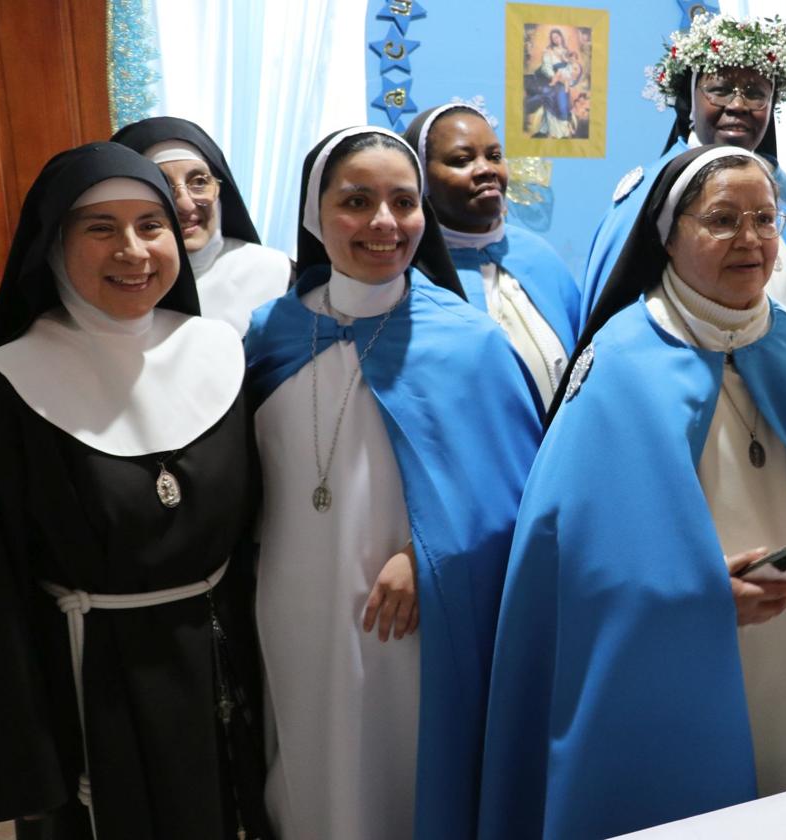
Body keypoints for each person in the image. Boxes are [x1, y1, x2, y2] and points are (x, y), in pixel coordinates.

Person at [479, 146, 786, 840]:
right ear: (669, 234)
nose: (751, 240)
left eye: (766, 220)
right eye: (723, 219)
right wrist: (696, 597)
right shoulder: (623, 359)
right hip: (667, 657)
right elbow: (574, 558)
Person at [244, 126, 541, 840]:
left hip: (420, 617)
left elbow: (518, 498)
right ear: (316, 216)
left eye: (403, 203)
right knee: (312, 767)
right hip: (295, 605)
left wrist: (426, 555)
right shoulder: (269, 333)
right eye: (356, 201)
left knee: (407, 772)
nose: (384, 223)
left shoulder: (468, 342)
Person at [0, 142, 268, 839]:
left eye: (151, 225)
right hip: (86, 688)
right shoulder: (12, 379)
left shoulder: (219, 351)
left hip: (221, 672)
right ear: (54, 244)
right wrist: (26, 762)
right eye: (100, 228)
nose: (133, 250)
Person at [580, 13, 786, 324]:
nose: (737, 105)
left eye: (755, 93)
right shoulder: (650, 194)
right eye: (720, 89)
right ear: (689, 101)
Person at [404, 103, 579, 406]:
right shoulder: (411, 277)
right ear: (421, 179)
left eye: (494, 156)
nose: (486, 169)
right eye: (462, 160)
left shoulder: (540, 258)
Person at [112, 116, 292, 337]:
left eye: (199, 182)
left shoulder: (280, 275)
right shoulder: (116, 285)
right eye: (161, 185)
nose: (185, 204)